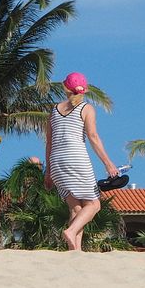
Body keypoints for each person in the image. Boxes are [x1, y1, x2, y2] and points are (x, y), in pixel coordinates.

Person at [45, 72, 118, 251]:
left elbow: (49, 141)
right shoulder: (86, 108)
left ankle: (75, 251)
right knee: (94, 204)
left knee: (76, 209)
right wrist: (108, 163)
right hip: (76, 159)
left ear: (65, 87)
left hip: (57, 162)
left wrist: (48, 171)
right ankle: (70, 232)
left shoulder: (54, 110)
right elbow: (93, 137)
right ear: (84, 90)